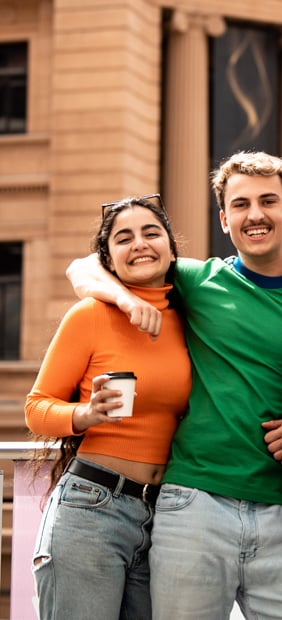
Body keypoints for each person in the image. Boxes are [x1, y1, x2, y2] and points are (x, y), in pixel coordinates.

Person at [66, 151, 282, 619]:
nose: (255, 215)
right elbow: (82, 267)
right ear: (224, 219)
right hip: (193, 506)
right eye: (240, 204)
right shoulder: (196, 279)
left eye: (268, 201)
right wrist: (127, 300)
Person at [25, 194, 192, 620]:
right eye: (124, 238)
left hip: (166, 516)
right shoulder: (90, 316)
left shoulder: (191, 319)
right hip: (91, 506)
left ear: (172, 249)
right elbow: (37, 409)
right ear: (109, 259)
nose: (139, 243)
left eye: (151, 233)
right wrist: (85, 414)